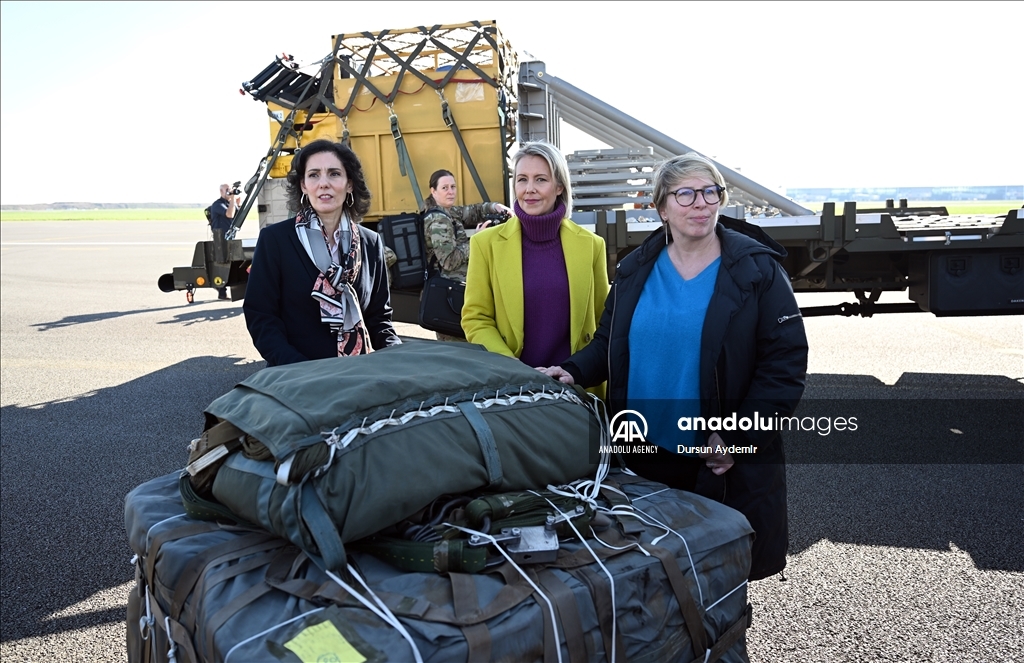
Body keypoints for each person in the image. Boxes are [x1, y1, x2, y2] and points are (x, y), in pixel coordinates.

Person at [540, 152, 808, 581]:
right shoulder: (636, 270)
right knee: (655, 577)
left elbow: (784, 364)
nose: (700, 203)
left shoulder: (757, 271)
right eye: (685, 194)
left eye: (710, 192)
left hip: (715, 457)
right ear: (661, 207)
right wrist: (572, 370)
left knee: (718, 578)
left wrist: (737, 436)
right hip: (644, 456)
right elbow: (610, 343)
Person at [243, 139, 400, 366]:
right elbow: (261, 317)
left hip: (358, 373)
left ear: (349, 184)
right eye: (314, 175)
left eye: (334, 174)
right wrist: (299, 368)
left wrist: (397, 354)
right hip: (297, 375)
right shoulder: (275, 240)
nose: (323, 183)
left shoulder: (370, 242)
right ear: (303, 186)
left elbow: (379, 320)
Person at [461, 141, 609, 381]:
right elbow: (476, 318)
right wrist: (513, 367)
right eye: (522, 179)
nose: (529, 189)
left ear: (559, 187)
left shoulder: (592, 245)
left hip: (575, 385)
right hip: (512, 385)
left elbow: (605, 323)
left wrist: (575, 370)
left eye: (540, 179)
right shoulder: (484, 244)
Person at [422, 169, 512, 341]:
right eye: (444, 188)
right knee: (456, 346)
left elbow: (474, 211)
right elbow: (449, 261)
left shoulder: (449, 212)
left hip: (455, 291)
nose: (450, 191)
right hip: (449, 293)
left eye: (453, 187)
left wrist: (495, 207)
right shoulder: (439, 220)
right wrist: (476, 239)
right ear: (433, 191)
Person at [209, 183, 241, 299]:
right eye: (226, 190)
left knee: (230, 263)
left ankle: (223, 291)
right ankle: (221, 291)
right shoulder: (218, 204)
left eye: (230, 189)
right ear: (221, 192)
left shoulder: (229, 203)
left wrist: (237, 203)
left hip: (229, 237)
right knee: (222, 263)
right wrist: (233, 200)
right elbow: (230, 214)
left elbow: (238, 214)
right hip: (220, 239)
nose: (229, 191)